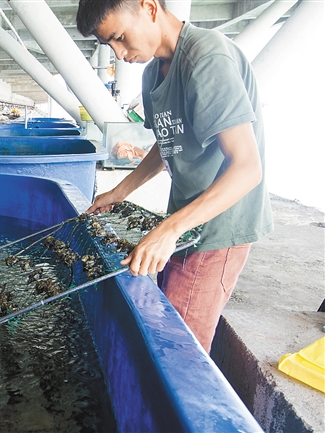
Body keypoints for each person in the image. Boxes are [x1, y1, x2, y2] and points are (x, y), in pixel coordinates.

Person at [76, 0, 273, 352]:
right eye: (110, 45)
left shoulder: (206, 59)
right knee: (164, 319)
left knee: (177, 346)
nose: (120, 54)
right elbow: (167, 143)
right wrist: (119, 191)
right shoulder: (154, 72)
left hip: (217, 228)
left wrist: (168, 230)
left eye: (121, 37)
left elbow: (247, 168)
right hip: (184, 222)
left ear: (149, 7)